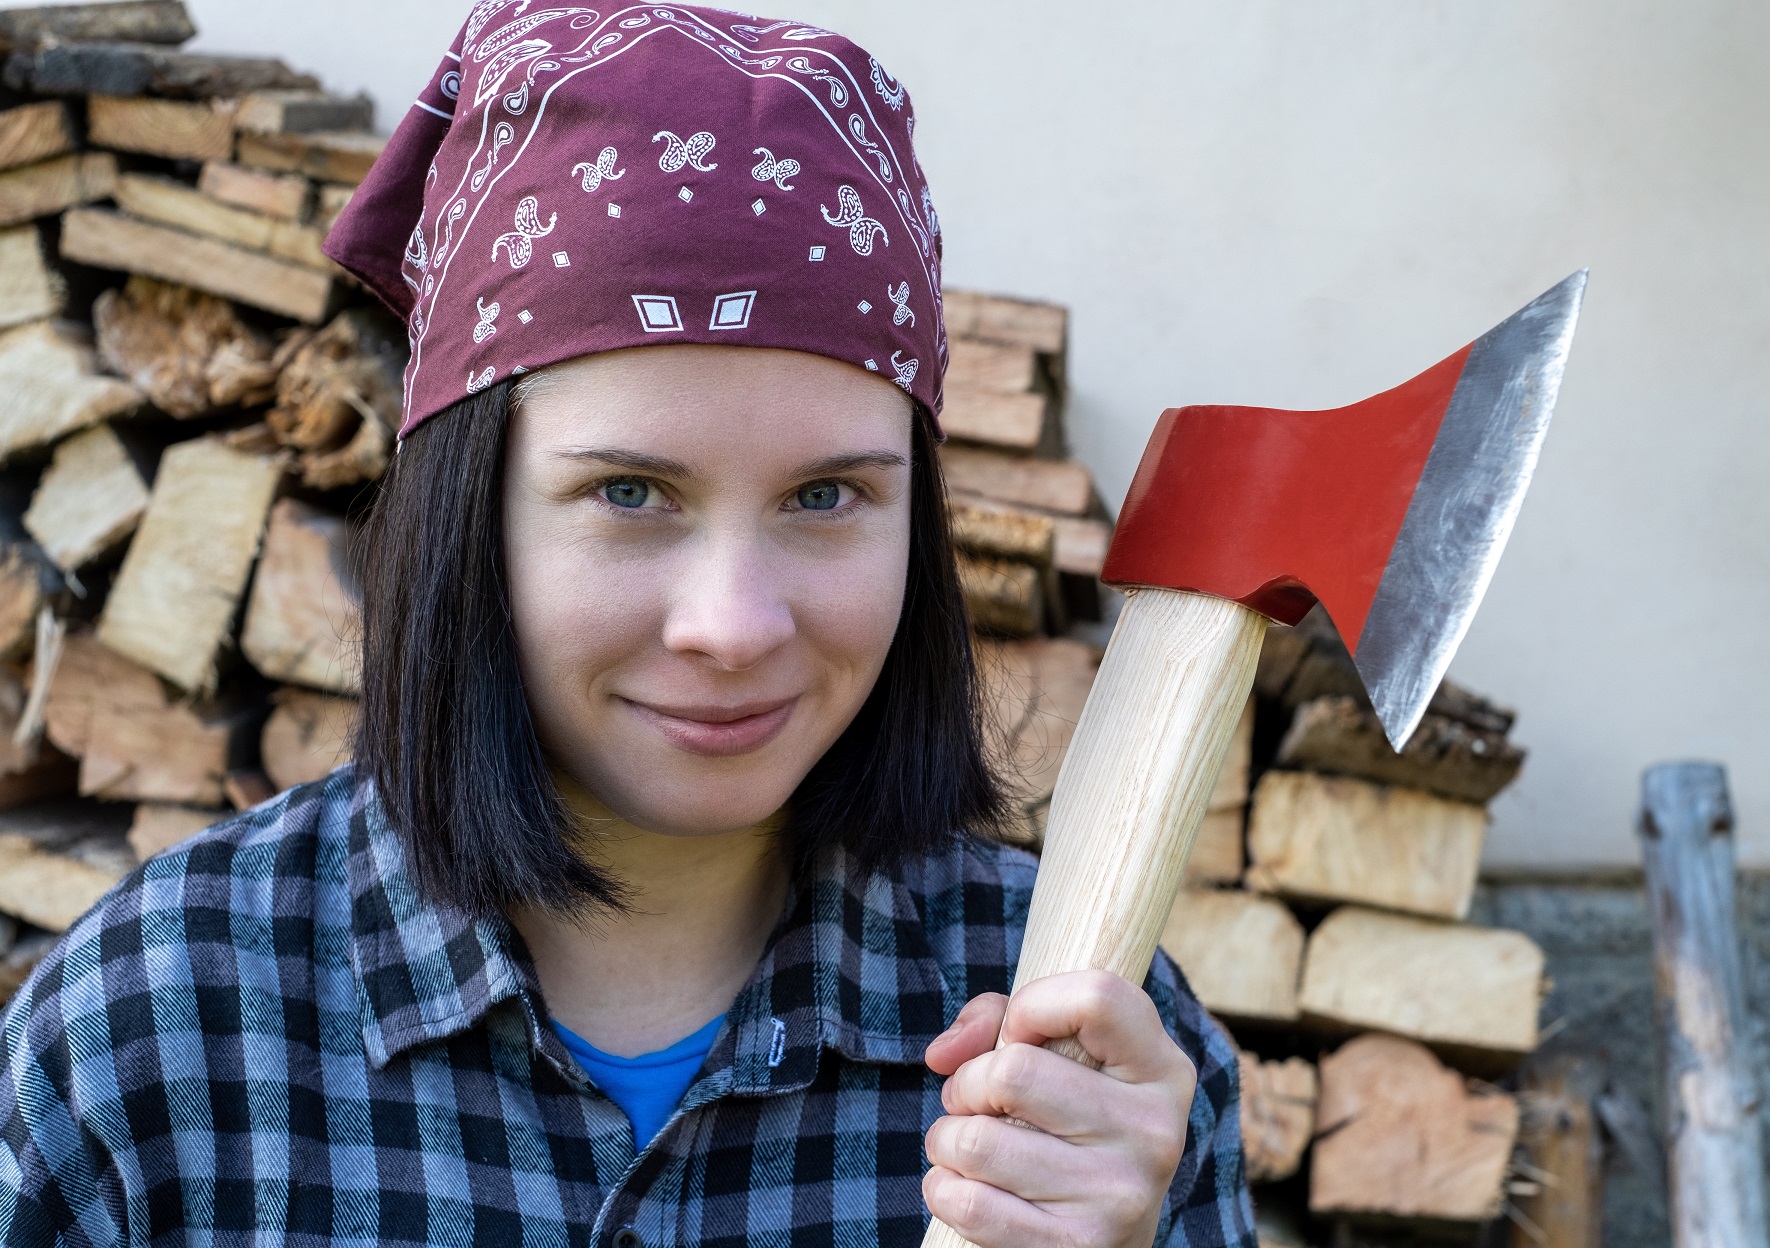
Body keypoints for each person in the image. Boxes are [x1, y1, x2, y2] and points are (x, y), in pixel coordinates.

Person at [0, 7, 1253, 1246]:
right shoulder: (152, 1031)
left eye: (827, 496)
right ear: (469, 512)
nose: (734, 625)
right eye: (630, 493)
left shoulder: (1086, 1062)